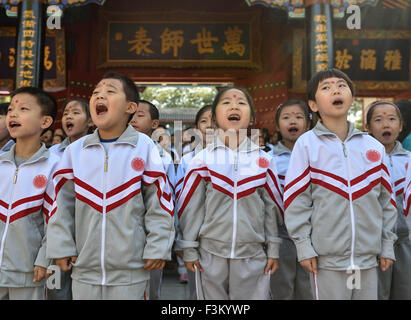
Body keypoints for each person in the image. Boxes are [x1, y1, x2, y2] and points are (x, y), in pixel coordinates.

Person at [47, 72, 175, 300]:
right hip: (84, 270)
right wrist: (61, 245)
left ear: (130, 107)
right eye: (96, 93)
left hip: (132, 272)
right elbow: (60, 203)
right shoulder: (75, 152)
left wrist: (158, 246)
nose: (99, 96)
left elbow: (160, 202)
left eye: (110, 91)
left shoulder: (144, 147)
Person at [284, 68, 398, 300]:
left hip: (367, 260)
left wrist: (387, 244)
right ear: (313, 105)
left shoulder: (373, 147)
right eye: (326, 87)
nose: (336, 89)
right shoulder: (307, 144)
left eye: (341, 85)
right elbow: (297, 200)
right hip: (326, 261)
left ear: (352, 99)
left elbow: (387, 201)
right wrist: (303, 245)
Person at [177, 87, 283, 300]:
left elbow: (271, 208)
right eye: (226, 102)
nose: (234, 105)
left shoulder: (264, 161)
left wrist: (273, 248)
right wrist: (188, 246)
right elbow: (190, 208)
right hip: (210, 254)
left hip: (252, 253)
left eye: (241, 103)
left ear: (252, 118)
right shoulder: (202, 160)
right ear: (214, 118)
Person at [0, 87, 59, 299]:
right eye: (11, 109)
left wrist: (44, 259)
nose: (13, 114)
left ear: (45, 122)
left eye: (23, 108)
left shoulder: (55, 167)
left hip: (30, 272)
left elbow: (57, 221)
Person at [47, 98, 93, 300]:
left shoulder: (96, 151)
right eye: (66, 113)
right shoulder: (51, 153)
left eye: (75, 112)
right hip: (55, 235)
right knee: (55, 287)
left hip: (86, 233)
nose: (68, 116)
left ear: (90, 121)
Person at [129, 99, 176, 300]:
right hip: (123, 232)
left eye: (140, 115)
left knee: (150, 289)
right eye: (131, 114)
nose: (133, 119)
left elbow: (169, 197)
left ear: (154, 124)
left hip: (150, 232)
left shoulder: (163, 157)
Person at [365, 100, 411, 300]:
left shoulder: (409, 160)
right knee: (377, 294)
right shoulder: (362, 161)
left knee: (405, 291)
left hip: (406, 241)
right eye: (378, 120)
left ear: (400, 126)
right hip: (374, 243)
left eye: (392, 119)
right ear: (367, 127)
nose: (386, 124)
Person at [269, 100, 313, 300]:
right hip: (281, 234)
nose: (292, 121)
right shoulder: (268, 160)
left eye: (298, 117)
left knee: (309, 289)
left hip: (313, 233)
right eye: (286, 117)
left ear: (308, 124)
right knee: (280, 288)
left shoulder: (317, 156)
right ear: (277, 126)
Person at [175, 104, 213, 299]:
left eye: (214, 121)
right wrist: (181, 241)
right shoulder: (187, 160)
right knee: (197, 291)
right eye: (203, 121)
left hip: (221, 235)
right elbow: (179, 202)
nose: (209, 126)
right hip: (194, 235)